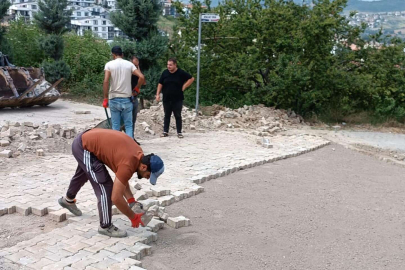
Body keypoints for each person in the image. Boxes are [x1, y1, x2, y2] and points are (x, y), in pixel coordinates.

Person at [58, 129, 165, 237]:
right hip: (84, 146)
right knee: (105, 187)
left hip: (87, 141)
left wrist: (131, 201)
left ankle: (68, 201)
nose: (147, 178)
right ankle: (105, 226)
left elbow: (122, 179)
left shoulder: (137, 155)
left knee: (84, 173)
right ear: (143, 167)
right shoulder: (128, 164)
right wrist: (133, 217)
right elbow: (116, 198)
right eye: (148, 175)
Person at [103, 46, 145, 138]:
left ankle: (116, 150)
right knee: (129, 126)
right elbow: (141, 77)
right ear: (122, 54)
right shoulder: (129, 65)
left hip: (113, 98)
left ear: (113, 55)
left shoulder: (109, 65)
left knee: (115, 127)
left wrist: (105, 98)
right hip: (127, 99)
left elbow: (106, 81)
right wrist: (137, 88)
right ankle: (129, 149)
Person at [156, 58, 194, 138]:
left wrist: (184, 86)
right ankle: (165, 131)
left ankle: (179, 132)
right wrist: (157, 94)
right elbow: (160, 83)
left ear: (175, 65)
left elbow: (191, 78)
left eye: (170, 65)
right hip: (166, 98)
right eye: (167, 65)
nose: (168, 66)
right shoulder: (165, 73)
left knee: (177, 115)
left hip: (177, 98)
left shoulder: (180, 73)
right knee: (167, 115)